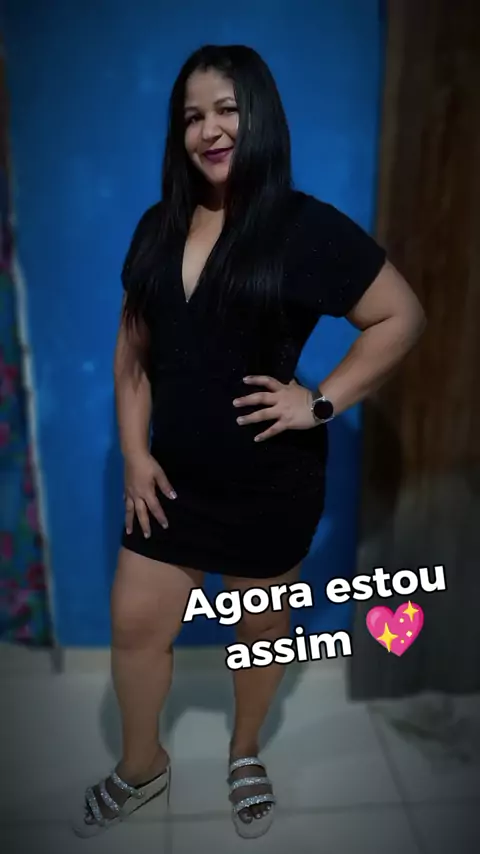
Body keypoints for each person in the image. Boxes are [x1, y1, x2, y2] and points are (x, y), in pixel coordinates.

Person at [72, 44, 425, 840]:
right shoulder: (157, 228)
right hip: (172, 485)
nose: (210, 130)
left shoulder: (304, 228)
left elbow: (401, 317)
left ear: (259, 115)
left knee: (258, 634)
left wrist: (321, 402)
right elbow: (132, 358)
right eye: (192, 116)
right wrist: (135, 455)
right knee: (136, 624)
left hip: (271, 488)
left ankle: (244, 752)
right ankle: (142, 766)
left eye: (227, 109)